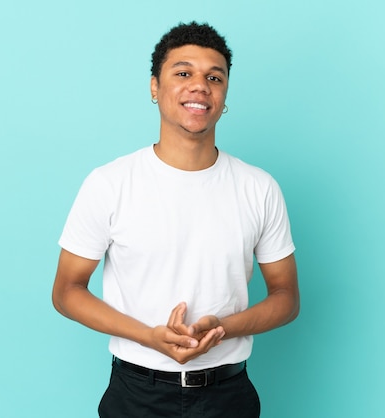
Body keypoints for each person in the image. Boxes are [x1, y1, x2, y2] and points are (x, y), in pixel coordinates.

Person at [52, 21, 300, 418]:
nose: (200, 86)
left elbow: (286, 297)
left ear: (224, 93)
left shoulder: (259, 187)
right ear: (155, 87)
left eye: (214, 77)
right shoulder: (110, 183)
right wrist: (149, 337)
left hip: (228, 394)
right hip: (136, 393)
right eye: (183, 73)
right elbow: (66, 290)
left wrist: (221, 328)